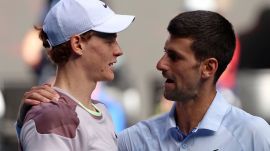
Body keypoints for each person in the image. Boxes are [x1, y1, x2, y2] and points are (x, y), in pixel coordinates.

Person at [18, 10, 270, 151]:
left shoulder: (254, 135)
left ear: (208, 68)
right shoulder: (134, 140)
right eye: (109, 40)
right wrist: (30, 120)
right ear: (77, 44)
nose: (160, 64)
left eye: (174, 56)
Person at [16, 0, 134, 150]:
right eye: (109, 41)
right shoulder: (52, 117)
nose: (119, 51)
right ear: (77, 44)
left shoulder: (102, 111)